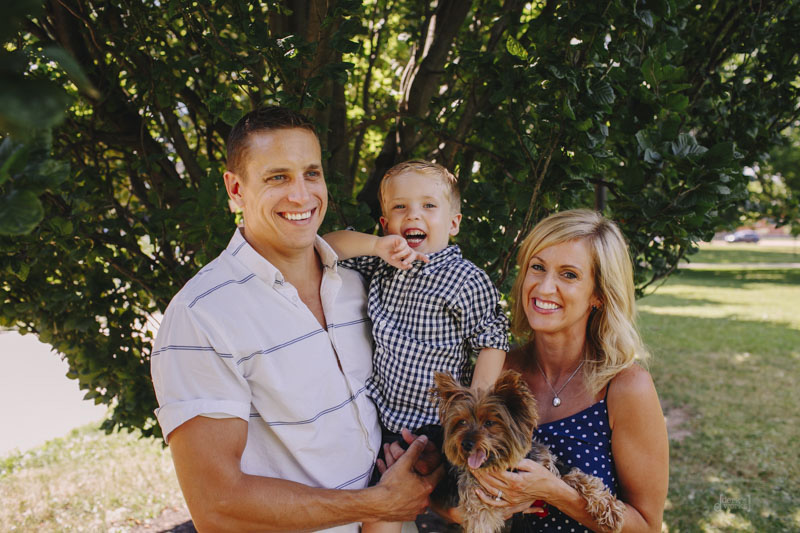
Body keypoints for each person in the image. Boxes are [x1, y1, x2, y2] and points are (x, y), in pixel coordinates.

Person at [150, 106, 443, 532]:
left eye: (311, 173)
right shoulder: (201, 315)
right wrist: (376, 504)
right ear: (235, 189)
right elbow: (217, 506)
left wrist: (415, 456)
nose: (302, 196)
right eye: (277, 178)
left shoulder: (360, 283)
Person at [324, 160, 510, 532]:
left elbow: (492, 339)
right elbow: (326, 247)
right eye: (400, 207)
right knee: (381, 509)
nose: (413, 215)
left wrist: (474, 408)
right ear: (385, 223)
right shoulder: (380, 265)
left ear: (453, 223)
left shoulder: (464, 279)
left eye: (428, 205)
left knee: (450, 511)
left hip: (440, 423)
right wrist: (376, 246)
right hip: (385, 423)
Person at [471, 209, 669, 532]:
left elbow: (647, 526)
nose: (544, 288)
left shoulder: (626, 388)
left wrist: (555, 492)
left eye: (569, 275)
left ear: (598, 295)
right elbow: (450, 490)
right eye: (537, 267)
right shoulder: (497, 370)